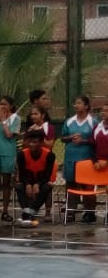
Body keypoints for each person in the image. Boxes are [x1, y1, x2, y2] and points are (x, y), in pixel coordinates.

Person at [61, 94, 97, 223]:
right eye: (75, 103)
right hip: (71, 157)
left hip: (86, 157)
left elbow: (96, 139)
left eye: (79, 103)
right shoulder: (69, 121)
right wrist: (71, 138)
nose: (76, 106)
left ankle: (90, 213)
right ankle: (70, 212)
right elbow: (62, 138)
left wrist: (84, 140)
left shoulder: (93, 121)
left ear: (86, 106)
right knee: (71, 184)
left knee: (87, 185)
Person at [0, 96, 21, 222]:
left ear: (11, 106)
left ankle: (5, 211)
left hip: (8, 153)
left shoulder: (15, 118)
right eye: (0, 104)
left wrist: (4, 121)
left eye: (5, 104)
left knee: (6, 182)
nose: (2, 107)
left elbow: (9, 135)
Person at [17, 129, 55, 226]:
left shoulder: (49, 155)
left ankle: (30, 212)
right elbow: (22, 174)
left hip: (41, 181)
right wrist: (28, 184)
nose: (31, 144)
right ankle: (28, 211)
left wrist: (38, 184)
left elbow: (47, 175)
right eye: (29, 141)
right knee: (19, 187)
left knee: (47, 187)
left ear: (41, 143)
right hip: (28, 180)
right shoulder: (21, 154)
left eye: (34, 142)